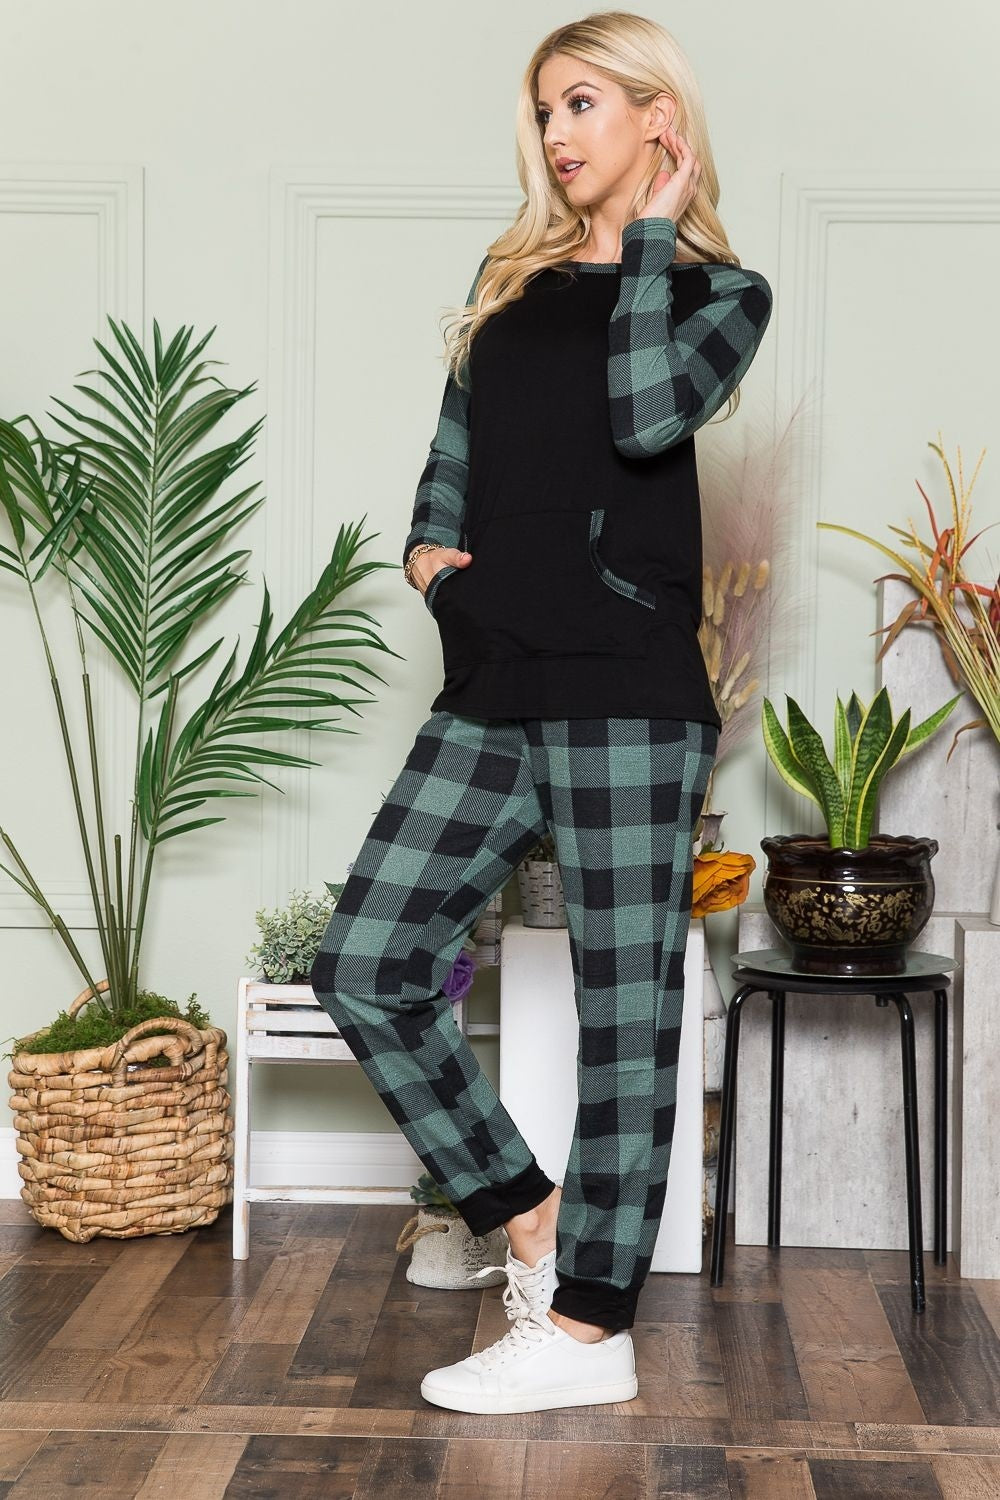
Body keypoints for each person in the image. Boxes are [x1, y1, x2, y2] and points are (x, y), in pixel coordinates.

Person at [310, 9, 773, 1415]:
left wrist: (652, 238)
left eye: (584, 104)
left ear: (655, 117)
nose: (559, 135)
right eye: (544, 112)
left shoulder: (719, 295)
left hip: (631, 695)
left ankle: (586, 1334)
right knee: (366, 962)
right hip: (496, 678)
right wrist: (439, 577)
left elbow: (644, 418)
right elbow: (446, 470)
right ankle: (525, 1217)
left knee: (628, 1019)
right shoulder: (504, 284)